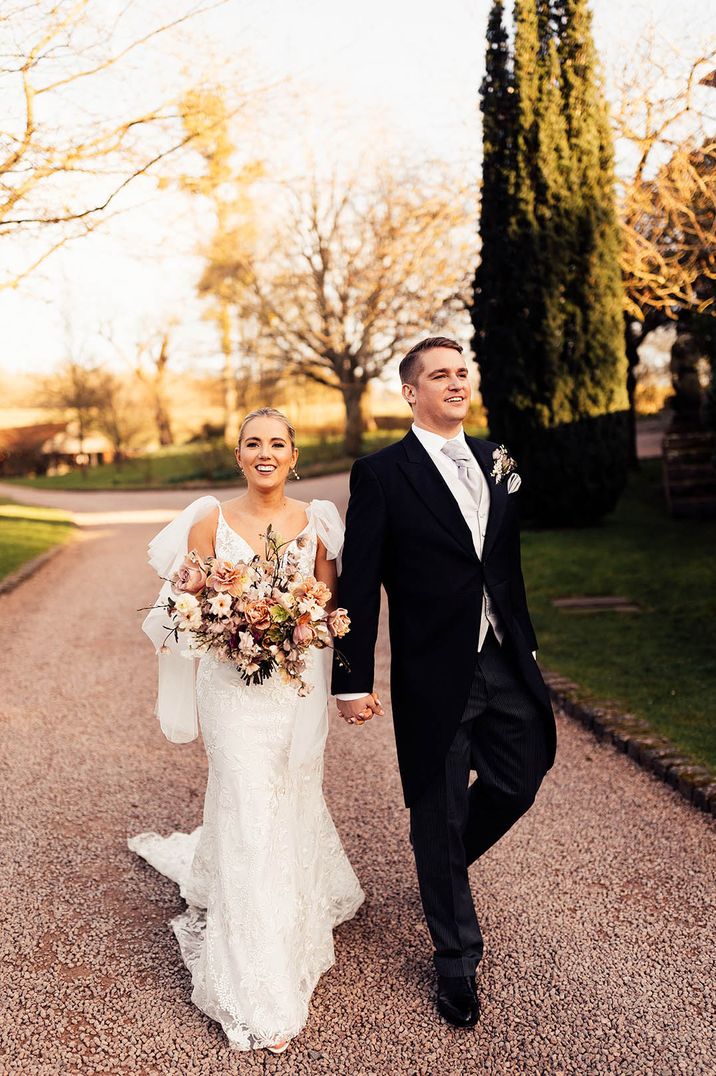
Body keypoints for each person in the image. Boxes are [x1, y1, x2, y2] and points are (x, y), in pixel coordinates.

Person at [333, 337, 556, 1028]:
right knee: (438, 810)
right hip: (433, 669)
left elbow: (503, 564)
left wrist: (527, 638)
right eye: (440, 375)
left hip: (504, 658)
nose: (456, 383)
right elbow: (361, 581)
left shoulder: (498, 458)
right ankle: (456, 963)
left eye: (462, 372)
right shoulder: (381, 474)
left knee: (522, 773)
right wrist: (351, 677)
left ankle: (444, 867)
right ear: (411, 392)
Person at [130, 408, 364, 1055]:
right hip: (230, 691)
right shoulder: (210, 519)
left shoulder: (317, 521)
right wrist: (227, 626)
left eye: (278, 444)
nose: (266, 453)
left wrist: (288, 629)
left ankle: (289, 904)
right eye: (253, 443)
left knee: (287, 793)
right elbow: (186, 610)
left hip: (290, 689)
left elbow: (325, 609)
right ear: (238, 455)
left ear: (294, 456)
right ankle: (254, 970)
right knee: (246, 799)